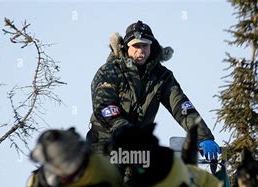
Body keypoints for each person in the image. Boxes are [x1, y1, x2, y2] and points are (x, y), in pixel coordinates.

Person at [86, 20, 220, 160]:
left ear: (152, 46)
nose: (141, 51)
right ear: (126, 47)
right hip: (104, 145)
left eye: (145, 45)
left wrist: (202, 136)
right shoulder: (110, 71)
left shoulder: (162, 76)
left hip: (139, 149)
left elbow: (181, 107)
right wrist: (128, 133)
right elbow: (106, 107)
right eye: (136, 46)